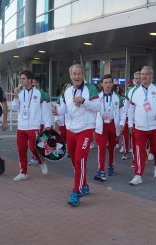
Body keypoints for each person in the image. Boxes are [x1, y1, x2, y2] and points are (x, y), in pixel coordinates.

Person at [52, 64, 100, 207]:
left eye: (79, 74)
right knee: (74, 161)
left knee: (79, 160)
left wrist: (84, 101)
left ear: (83, 75)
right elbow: (65, 109)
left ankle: (76, 191)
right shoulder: (68, 91)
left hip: (85, 130)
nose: (77, 76)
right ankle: (84, 185)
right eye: (74, 74)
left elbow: (98, 107)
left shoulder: (90, 89)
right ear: (70, 76)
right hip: (71, 131)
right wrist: (58, 112)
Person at [127, 66, 156, 185]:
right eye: (142, 74)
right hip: (140, 127)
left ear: (151, 76)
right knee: (139, 151)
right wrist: (130, 123)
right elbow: (131, 108)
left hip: (155, 126)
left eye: (146, 74)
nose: (143, 76)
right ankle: (138, 175)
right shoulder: (134, 91)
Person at [11, 70, 51, 181]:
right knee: (21, 149)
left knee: (33, 148)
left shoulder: (39, 93)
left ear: (29, 80)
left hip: (34, 125)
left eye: (24, 78)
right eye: (21, 79)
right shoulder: (20, 93)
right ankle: (23, 172)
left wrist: (47, 124)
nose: (21, 81)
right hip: (22, 126)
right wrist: (15, 96)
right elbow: (14, 108)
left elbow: (45, 111)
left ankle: (41, 162)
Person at [94, 74, 126, 181]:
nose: (107, 85)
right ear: (101, 84)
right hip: (101, 125)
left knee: (112, 147)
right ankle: (100, 170)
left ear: (112, 84)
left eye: (109, 82)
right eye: (105, 82)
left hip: (113, 124)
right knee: (101, 147)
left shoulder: (118, 97)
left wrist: (122, 123)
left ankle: (111, 166)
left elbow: (123, 112)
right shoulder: (96, 97)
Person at [29, 75, 52, 165]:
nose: (32, 84)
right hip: (33, 121)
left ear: (37, 83)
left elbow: (47, 110)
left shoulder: (44, 95)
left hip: (41, 122)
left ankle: (36, 158)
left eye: (33, 83)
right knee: (39, 140)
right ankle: (42, 155)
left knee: (37, 140)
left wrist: (48, 123)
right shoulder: (30, 93)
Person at [123, 72, 141, 162]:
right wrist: (127, 122)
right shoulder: (130, 91)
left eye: (139, 78)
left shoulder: (148, 90)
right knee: (134, 140)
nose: (138, 80)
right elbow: (126, 108)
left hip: (144, 121)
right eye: (136, 78)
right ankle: (135, 159)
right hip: (133, 120)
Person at [55, 82, 71, 156]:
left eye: (69, 87)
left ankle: (69, 151)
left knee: (69, 137)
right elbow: (57, 109)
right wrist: (56, 119)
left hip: (70, 121)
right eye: (67, 87)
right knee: (62, 136)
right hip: (61, 121)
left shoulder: (73, 96)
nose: (68, 88)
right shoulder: (60, 97)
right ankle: (62, 149)